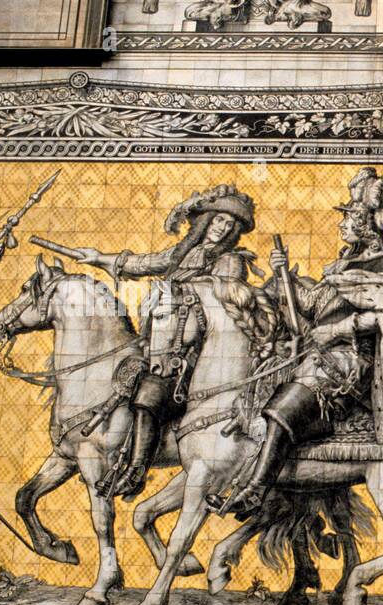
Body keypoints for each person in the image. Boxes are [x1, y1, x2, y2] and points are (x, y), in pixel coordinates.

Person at [211, 168, 383, 518]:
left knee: (282, 409)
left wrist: (334, 331)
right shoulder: (343, 266)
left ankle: (255, 492)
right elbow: (313, 307)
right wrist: (282, 272)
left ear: (364, 226)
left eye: (348, 219)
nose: (342, 225)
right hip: (321, 357)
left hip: (350, 362)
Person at [74, 184, 258, 497]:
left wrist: (174, 291)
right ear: (207, 222)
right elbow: (145, 263)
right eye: (218, 222)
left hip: (200, 352)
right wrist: (98, 258)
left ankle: (136, 471)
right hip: (163, 340)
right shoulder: (186, 252)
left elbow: (220, 294)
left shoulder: (230, 261)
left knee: (150, 392)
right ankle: (116, 455)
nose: (222, 229)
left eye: (229, 226)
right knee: (124, 376)